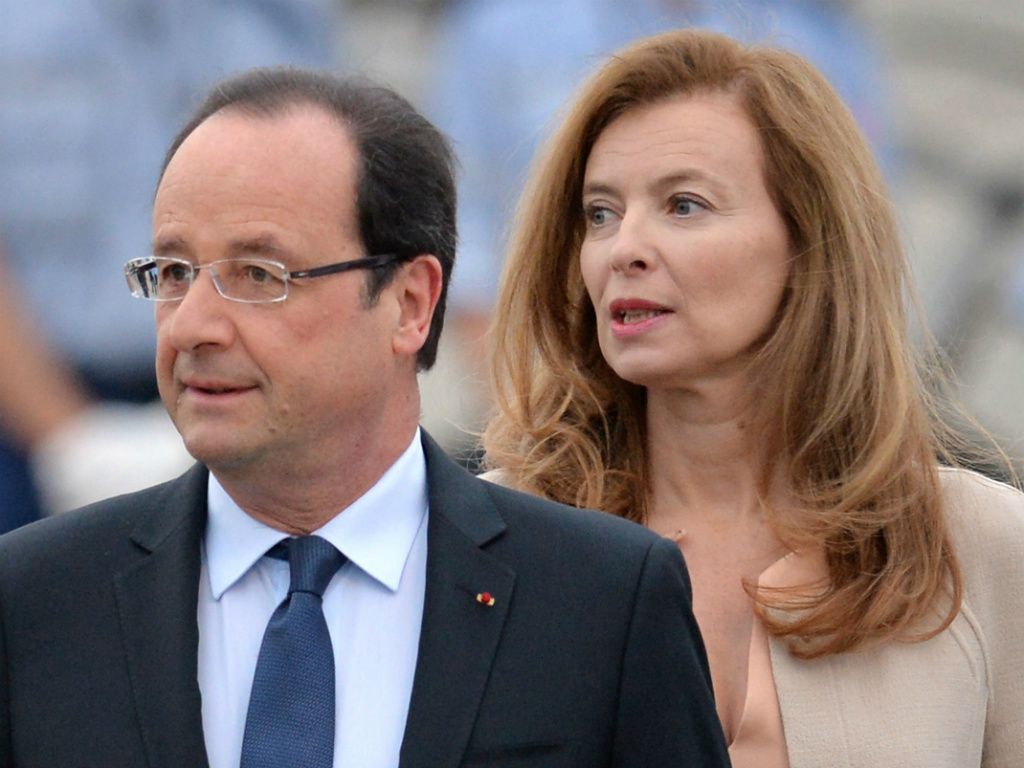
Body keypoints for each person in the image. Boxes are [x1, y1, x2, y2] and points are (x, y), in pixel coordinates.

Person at [0, 68, 729, 768]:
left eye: (259, 274)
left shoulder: (599, 600)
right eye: (174, 272)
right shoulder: (37, 601)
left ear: (410, 303)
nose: (193, 326)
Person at [483, 29, 1024, 767]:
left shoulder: (982, 545)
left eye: (684, 205)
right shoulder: (487, 546)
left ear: (808, 246)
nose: (624, 248)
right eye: (600, 213)